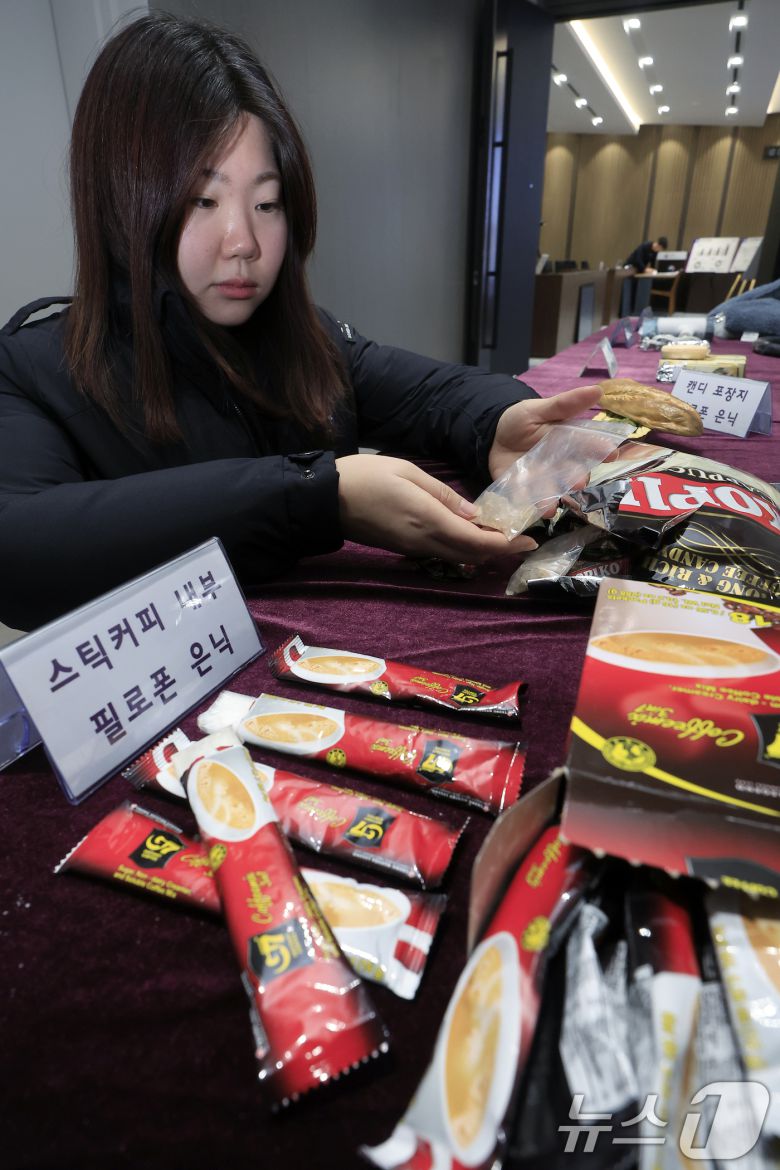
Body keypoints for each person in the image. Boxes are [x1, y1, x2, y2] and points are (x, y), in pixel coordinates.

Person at [0, 12, 601, 632]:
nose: (244, 242)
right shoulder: (29, 369)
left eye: (267, 203)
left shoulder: (302, 337)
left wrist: (497, 420)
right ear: (119, 200)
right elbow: (18, 551)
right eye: (202, 201)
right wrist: (317, 496)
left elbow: (427, 392)